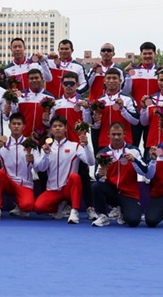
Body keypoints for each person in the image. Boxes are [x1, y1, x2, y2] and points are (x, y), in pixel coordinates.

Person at [46, 71, 97, 220]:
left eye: (72, 84)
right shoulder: (56, 103)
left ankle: (89, 207)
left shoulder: (82, 103)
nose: (69, 86)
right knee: (57, 174)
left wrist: (86, 108)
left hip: (77, 146)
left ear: (77, 85)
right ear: (62, 85)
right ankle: (62, 204)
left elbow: (88, 122)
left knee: (83, 175)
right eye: (66, 83)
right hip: (59, 146)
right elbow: (50, 123)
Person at [31, 115, 95, 224]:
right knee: (38, 207)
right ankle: (58, 207)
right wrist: (46, 155)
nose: (57, 128)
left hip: (67, 189)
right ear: (51, 129)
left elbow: (91, 162)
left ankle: (74, 211)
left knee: (75, 177)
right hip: (52, 190)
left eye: (60, 126)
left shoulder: (75, 146)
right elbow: (41, 168)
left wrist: (86, 145)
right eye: (54, 126)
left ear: (65, 128)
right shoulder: (46, 147)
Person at [91, 123, 147, 227]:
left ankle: (123, 211)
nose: (116, 137)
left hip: (129, 194)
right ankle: (103, 215)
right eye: (113, 134)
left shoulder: (133, 151)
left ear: (124, 134)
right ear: (108, 135)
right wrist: (101, 175)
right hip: (112, 193)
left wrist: (134, 161)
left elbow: (144, 172)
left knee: (133, 221)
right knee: (96, 186)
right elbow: (97, 177)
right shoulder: (103, 153)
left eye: (119, 134)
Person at [0, 113, 37, 221]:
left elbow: (40, 167)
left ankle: (20, 205)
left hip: (24, 184)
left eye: (19, 124)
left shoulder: (30, 144)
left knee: (27, 207)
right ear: (9, 126)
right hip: (9, 183)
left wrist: (34, 160)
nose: (16, 126)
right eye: (14, 124)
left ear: (24, 126)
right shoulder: (2, 144)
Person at [84, 68, 139, 153]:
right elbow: (94, 126)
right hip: (104, 144)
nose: (111, 81)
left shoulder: (127, 99)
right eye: (109, 78)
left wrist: (122, 109)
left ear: (120, 81)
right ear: (104, 81)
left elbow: (136, 121)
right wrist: (96, 120)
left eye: (114, 78)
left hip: (124, 143)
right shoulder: (99, 101)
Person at [125, 42, 160, 146]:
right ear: (140, 55)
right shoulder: (133, 71)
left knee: (150, 145)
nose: (147, 56)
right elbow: (126, 91)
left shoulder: (160, 71)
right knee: (133, 144)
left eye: (150, 53)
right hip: (137, 113)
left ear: (155, 54)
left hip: (154, 114)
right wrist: (127, 75)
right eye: (145, 53)